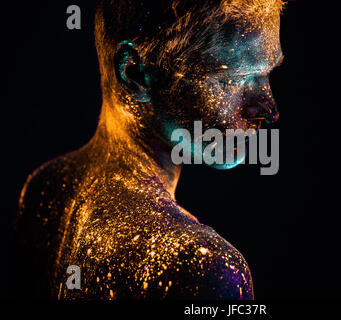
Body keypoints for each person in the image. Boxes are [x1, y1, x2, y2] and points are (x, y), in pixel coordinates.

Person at [12, 0, 284, 299]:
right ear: (136, 74)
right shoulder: (201, 266)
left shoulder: (45, 187)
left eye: (268, 73)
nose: (269, 110)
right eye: (232, 79)